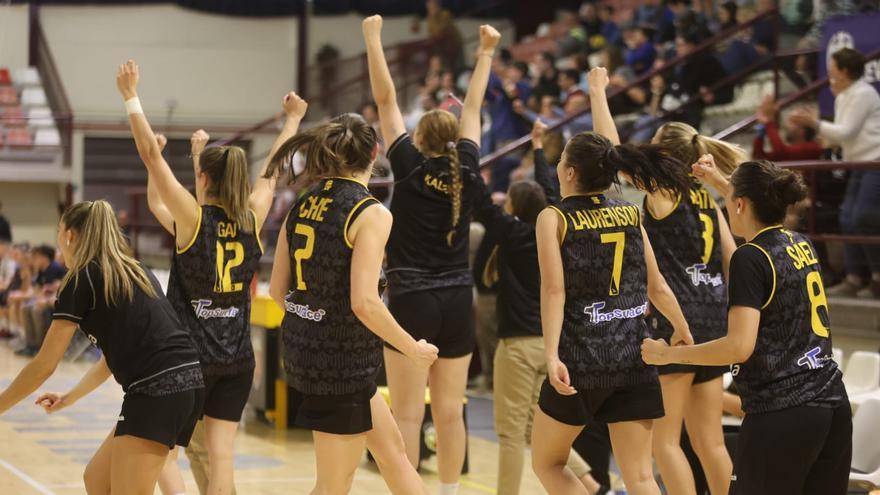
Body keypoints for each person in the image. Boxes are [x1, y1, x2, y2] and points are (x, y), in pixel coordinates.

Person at [116, 59, 307, 495]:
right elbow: (273, 170)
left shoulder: (192, 218)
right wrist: (293, 118)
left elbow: (150, 155)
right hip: (237, 359)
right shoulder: (252, 217)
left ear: (202, 179)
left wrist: (131, 96)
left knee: (163, 453)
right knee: (222, 457)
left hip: (188, 359)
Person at [643, 159, 852, 495]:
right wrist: (718, 180)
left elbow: (739, 347)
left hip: (782, 411)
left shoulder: (750, 257)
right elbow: (757, 202)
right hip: (831, 404)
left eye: (731, 200)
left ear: (739, 204)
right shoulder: (800, 242)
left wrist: (667, 354)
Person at [530, 67, 693, 495]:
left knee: (548, 462)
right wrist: (681, 327)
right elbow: (657, 285)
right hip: (634, 356)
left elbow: (553, 290)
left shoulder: (554, 217)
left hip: (582, 357)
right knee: (639, 476)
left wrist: (550, 355)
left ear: (568, 173)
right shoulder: (628, 209)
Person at [264, 109, 439, 494]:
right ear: (376, 152)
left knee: (393, 453)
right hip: (339, 360)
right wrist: (412, 348)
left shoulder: (302, 202)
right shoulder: (370, 212)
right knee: (332, 486)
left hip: (313, 351)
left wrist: (310, 316)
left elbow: (278, 291)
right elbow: (365, 302)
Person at [364, 16, 500, 495]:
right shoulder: (466, 165)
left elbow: (386, 100)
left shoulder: (409, 166)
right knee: (449, 411)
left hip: (412, 299)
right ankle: (448, 492)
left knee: (406, 411)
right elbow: (476, 106)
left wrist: (373, 39)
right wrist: (485, 53)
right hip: (457, 300)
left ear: (419, 140)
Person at [0, 200, 205, 494]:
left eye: (59, 232)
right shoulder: (135, 270)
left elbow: (43, 365)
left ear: (69, 235)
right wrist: (70, 397)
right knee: (97, 479)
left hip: (156, 389)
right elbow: (113, 356)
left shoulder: (82, 278)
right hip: (187, 382)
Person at [604, 118, 738, 493]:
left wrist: (599, 93)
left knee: (666, 442)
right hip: (715, 318)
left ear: (662, 152)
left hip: (678, 321)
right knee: (710, 441)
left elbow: (613, 151)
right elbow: (732, 258)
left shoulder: (665, 190)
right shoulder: (706, 196)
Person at [476, 120, 605, 495]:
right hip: (551, 343)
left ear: (513, 206)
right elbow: (550, 191)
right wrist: (536, 149)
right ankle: (593, 484)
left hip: (517, 346)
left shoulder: (514, 235)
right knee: (536, 425)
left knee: (511, 433)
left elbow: (482, 203)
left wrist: (465, 156)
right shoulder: (555, 227)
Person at [791, 47, 880, 299]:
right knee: (847, 218)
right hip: (857, 163)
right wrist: (821, 130)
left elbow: (846, 132)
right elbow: (835, 140)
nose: (829, 71)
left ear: (844, 70)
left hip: (875, 161)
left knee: (864, 216)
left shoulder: (864, 92)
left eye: (833, 67)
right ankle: (853, 277)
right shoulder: (843, 97)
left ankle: (876, 276)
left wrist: (815, 124)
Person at [754, 96, 823, 161]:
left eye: (791, 122)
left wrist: (769, 122)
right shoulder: (788, 150)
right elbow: (760, 159)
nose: (785, 125)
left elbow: (781, 153)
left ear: (802, 130)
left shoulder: (813, 147)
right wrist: (761, 132)